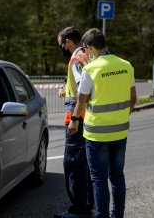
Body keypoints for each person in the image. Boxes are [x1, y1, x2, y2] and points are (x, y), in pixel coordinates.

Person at [68, 28, 137, 218]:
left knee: (98, 179)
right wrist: (120, 117)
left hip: (96, 133)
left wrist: (74, 120)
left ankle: (102, 216)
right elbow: (133, 99)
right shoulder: (126, 65)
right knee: (117, 175)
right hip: (120, 131)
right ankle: (118, 215)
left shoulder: (91, 69)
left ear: (90, 48)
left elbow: (81, 101)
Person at [54, 26, 94, 218]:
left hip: (77, 121)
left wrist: (75, 119)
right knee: (86, 165)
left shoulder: (76, 60)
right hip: (90, 119)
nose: (61, 48)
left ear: (68, 42)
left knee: (73, 164)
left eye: (61, 44)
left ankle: (79, 211)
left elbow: (82, 90)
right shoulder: (89, 55)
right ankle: (89, 205)